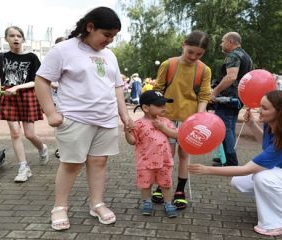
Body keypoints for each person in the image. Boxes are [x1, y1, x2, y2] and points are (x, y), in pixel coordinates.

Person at [34, 7, 133, 231]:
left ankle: (96, 203)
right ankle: (59, 207)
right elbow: (41, 80)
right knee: (71, 164)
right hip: (76, 118)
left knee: (99, 162)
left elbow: (117, 86)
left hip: (106, 119)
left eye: (114, 36)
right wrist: (50, 112)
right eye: (106, 35)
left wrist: (124, 116)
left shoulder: (109, 55)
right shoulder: (63, 50)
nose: (110, 41)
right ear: (90, 27)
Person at [189, 90, 282, 237]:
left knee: (263, 178)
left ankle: (281, 223)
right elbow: (266, 145)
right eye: (260, 106)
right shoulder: (271, 125)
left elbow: (246, 169)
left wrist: (207, 170)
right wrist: (251, 124)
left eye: (265, 108)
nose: (259, 110)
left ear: (281, 112)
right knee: (240, 182)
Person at [152, 30, 211, 210]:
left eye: (199, 54)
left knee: (184, 155)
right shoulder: (168, 64)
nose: (193, 56)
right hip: (166, 117)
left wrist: (199, 117)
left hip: (189, 120)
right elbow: (158, 89)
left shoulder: (204, 70)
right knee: (166, 154)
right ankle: (162, 186)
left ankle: (180, 190)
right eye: (190, 52)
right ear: (183, 45)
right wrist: (155, 112)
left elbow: (203, 96)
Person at [0, 26, 48, 182]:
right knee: (15, 133)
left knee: (30, 134)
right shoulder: (1, 57)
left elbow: (35, 81)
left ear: (23, 39)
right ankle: (23, 167)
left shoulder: (32, 57)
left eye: (19, 36)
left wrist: (17, 87)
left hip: (26, 96)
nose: (16, 38)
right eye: (12, 35)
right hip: (8, 97)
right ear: (6, 39)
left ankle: (42, 148)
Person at [125, 90, 178, 218]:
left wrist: (162, 128)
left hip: (164, 161)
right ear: (145, 107)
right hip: (145, 162)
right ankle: (147, 202)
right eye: (160, 105)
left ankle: (168, 203)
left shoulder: (165, 121)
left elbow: (177, 135)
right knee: (145, 184)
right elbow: (132, 141)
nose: (164, 107)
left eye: (164, 104)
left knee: (166, 184)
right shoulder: (138, 124)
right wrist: (127, 131)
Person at [211, 32, 253, 167]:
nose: (221, 44)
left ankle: (230, 160)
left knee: (224, 128)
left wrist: (215, 91)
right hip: (239, 97)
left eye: (223, 41)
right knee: (230, 126)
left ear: (230, 42)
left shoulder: (233, 55)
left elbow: (231, 76)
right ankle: (225, 155)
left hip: (227, 97)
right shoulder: (247, 56)